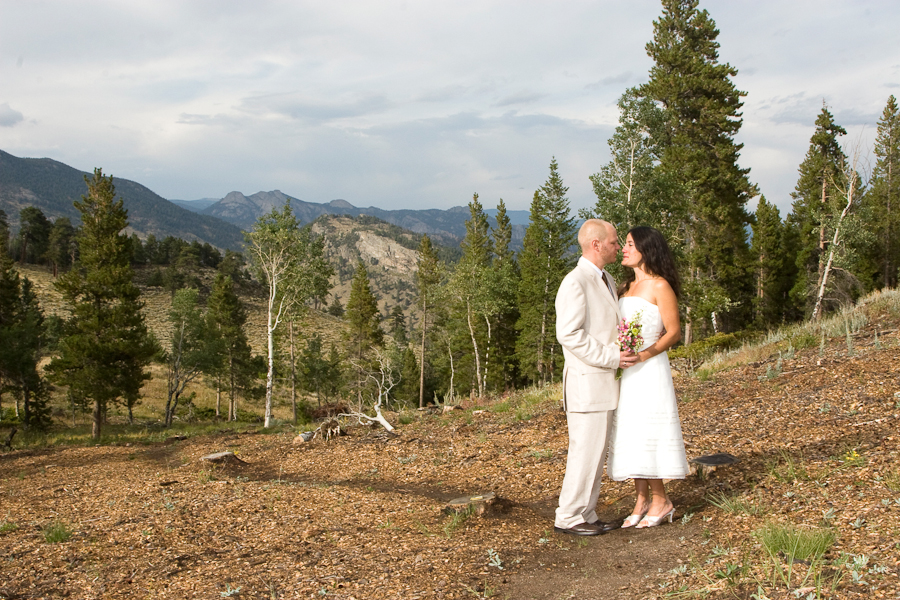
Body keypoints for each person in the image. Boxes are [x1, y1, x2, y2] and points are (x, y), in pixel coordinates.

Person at [553, 219, 637, 536]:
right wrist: (612, 357)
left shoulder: (606, 277)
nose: (619, 247)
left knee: (596, 452)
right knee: (584, 452)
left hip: (604, 383)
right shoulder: (575, 282)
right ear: (596, 244)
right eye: (615, 242)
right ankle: (568, 515)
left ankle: (586, 512)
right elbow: (570, 335)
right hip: (586, 383)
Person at [607, 226, 690, 528]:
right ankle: (641, 499)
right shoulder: (625, 287)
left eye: (629, 244)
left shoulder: (659, 286)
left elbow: (674, 333)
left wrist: (643, 354)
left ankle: (661, 499)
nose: (623, 249)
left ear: (646, 248)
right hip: (626, 370)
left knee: (648, 430)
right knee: (631, 431)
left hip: (649, 367)